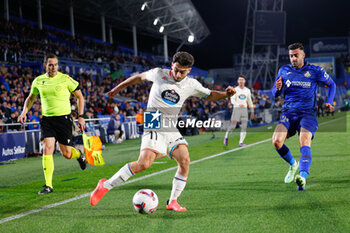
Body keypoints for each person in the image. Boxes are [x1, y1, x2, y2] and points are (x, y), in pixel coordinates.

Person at [90, 51, 236, 211]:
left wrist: (226, 95)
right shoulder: (159, 73)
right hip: (153, 120)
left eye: (182, 71)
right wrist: (118, 88)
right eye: (176, 69)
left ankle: (173, 201)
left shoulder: (192, 84)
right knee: (144, 163)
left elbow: (211, 95)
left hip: (171, 126)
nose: (178, 74)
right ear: (172, 65)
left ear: (189, 70)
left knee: (185, 160)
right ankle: (106, 185)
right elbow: (139, 77)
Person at [18, 54, 87, 194]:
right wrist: (24, 112)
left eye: (55, 64)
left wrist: (80, 116)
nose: (53, 67)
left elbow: (80, 96)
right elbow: (31, 98)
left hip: (64, 119)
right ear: (45, 65)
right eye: (50, 64)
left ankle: (79, 154)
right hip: (47, 120)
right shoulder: (38, 81)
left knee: (67, 153)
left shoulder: (65, 79)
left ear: (58, 65)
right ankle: (48, 185)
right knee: (47, 147)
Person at [271, 43, 336, 191]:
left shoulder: (315, 71)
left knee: (304, 141)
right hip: (288, 113)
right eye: (291, 56)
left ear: (303, 55)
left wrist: (329, 102)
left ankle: (303, 177)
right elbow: (274, 92)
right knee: (276, 141)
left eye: (296, 55)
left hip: (308, 114)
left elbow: (331, 84)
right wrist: (277, 88)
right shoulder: (284, 70)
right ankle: (293, 165)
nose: (293, 58)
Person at [224, 75, 255, 147]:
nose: (241, 81)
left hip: (244, 110)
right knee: (233, 126)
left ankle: (241, 142)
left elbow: (249, 101)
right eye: (240, 80)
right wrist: (238, 104)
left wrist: (252, 111)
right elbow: (232, 100)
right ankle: (226, 137)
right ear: (238, 81)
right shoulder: (234, 90)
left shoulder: (247, 90)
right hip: (236, 109)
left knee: (244, 126)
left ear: (244, 81)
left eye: (242, 80)